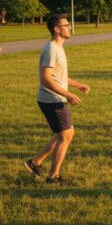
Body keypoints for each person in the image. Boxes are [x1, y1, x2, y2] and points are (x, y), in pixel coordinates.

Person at [23, 14, 90, 184]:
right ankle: (53, 177)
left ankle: (35, 162)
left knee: (65, 134)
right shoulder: (51, 49)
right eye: (66, 25)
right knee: (66, 135)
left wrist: (77, 85)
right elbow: (46, 78)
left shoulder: (58, 48)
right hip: (52, 99)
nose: (70, 27)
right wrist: (68, 94)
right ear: (57, 29)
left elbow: (59, 76)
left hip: (55, 98)